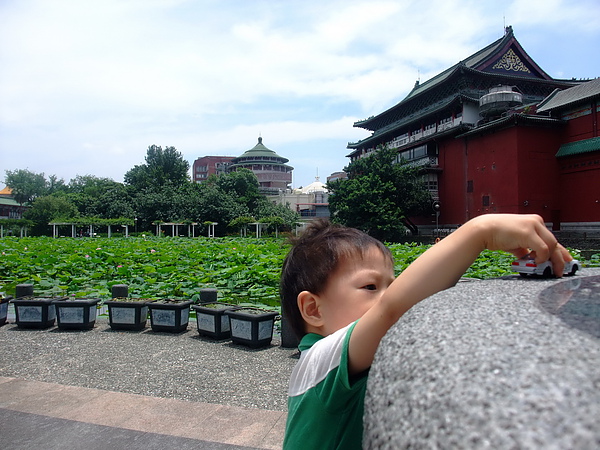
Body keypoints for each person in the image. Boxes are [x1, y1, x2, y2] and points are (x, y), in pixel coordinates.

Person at [280, 214, 572, 450]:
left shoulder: (357, 361)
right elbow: (391, 311)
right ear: (314, 309)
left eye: (392, 285)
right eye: (370, 287)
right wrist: (482, 231)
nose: (386, 296)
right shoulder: (318, 364)